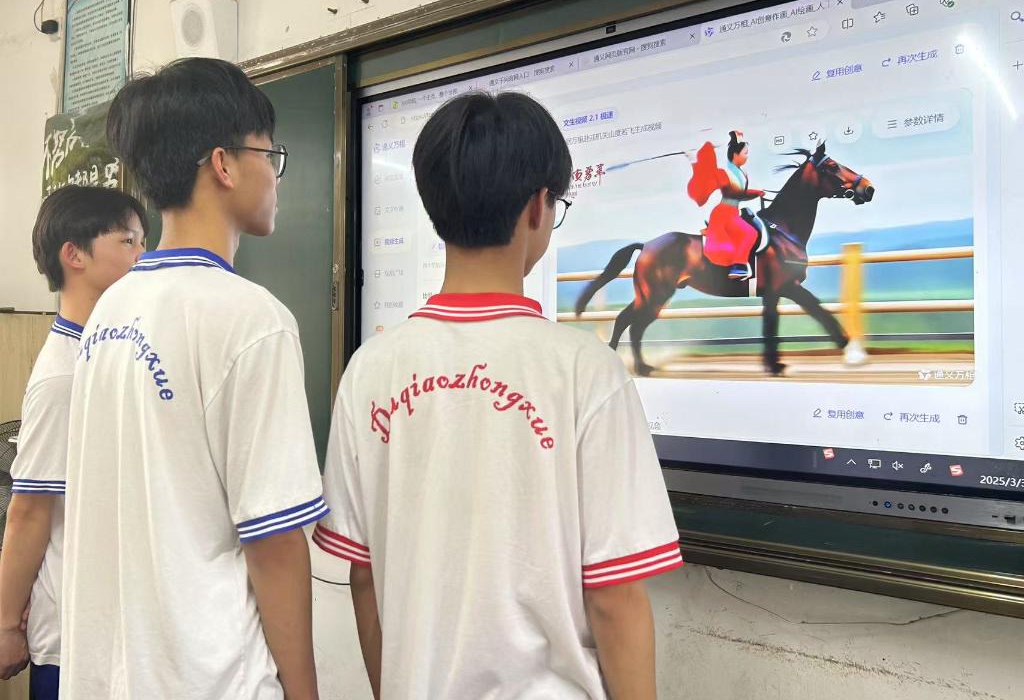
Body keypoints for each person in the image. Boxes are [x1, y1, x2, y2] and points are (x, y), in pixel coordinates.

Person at [314, 91, 682, 700]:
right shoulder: (584, 369)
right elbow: (614, 599)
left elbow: (365, 579)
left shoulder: (369, 369)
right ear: (539, 206)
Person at [60, 58, 326, 700]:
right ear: (224, 165)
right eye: (270, 155)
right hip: (208, 678)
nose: (275, 176)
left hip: (110, 676)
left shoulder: (109, 311)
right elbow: (274, 543)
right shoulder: (252, 319)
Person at [0, 186, 147, 700]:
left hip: (117, 631)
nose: (143, 254)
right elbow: (29, 512)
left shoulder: (111, 351)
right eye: (128, 241)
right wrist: (6, 624)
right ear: (74, 255)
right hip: (71, 642)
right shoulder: (64, 375)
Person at [687, 130, 764, 280]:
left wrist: (756, 193)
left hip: (733, 213)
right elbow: (735, 193)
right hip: (723, 214)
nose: (746, 157)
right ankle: (739, 265)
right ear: (735, 154)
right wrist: (695, 163)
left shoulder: (742, 174)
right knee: (749, 233)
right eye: (745, 153)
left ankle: (739, 265)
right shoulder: (725, 174)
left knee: (750, 233)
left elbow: (740, 194)